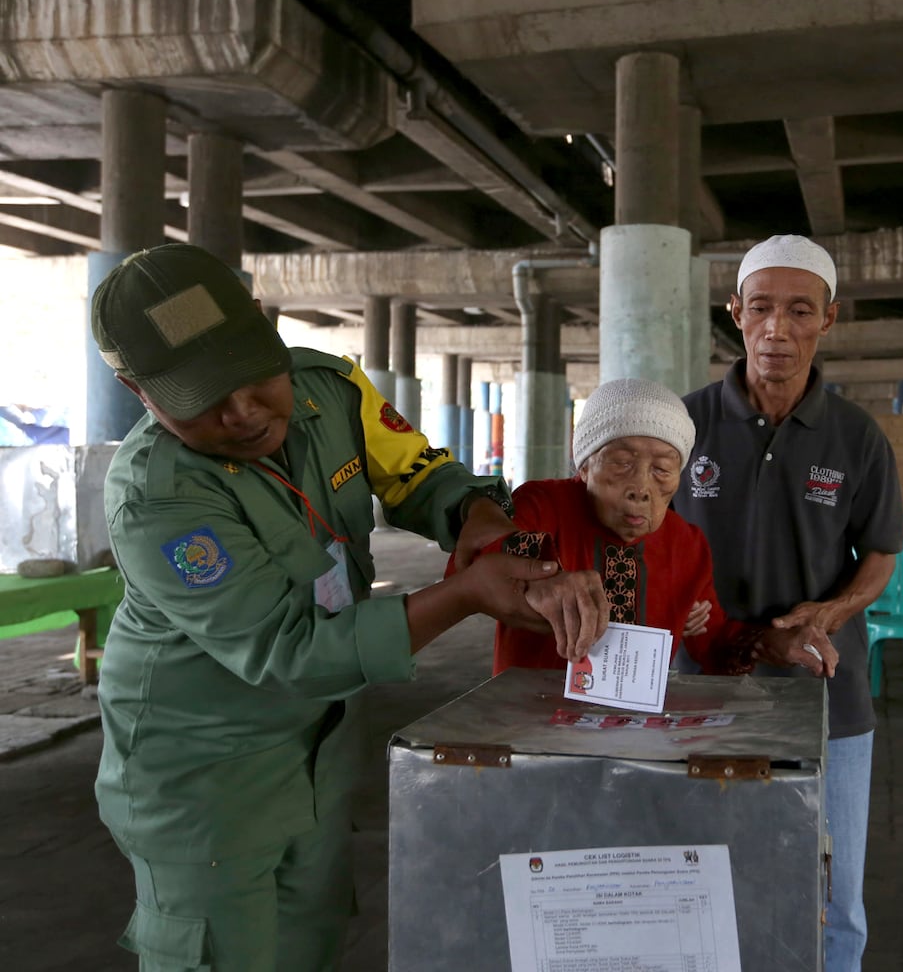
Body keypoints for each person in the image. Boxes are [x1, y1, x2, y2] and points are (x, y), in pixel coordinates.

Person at [89, 244, 609, 969]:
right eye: (199, 399)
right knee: (225, 953)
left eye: (250, 376)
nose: (242, 413)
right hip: (204, 777)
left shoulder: (327, 389)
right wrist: (463, 594)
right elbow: (288, 652)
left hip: (321, 746)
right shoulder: (161, 496)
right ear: (134, 389)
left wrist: (484, 530)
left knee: (310, 943)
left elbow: (422, 477)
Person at [671, 234, 903, 972]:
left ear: (827, 319)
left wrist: (830, 614)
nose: (778, 328)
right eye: (762, 308)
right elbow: (642, 543)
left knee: (834, 895)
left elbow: (880, 554)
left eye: (799, 310)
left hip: (825, 690)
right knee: (707, 876)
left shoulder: (856, 436)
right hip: (702, 689)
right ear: (734, 312)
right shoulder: (683, 425)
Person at [454, 377, 838, 678]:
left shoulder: (686, 544)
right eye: (621, 463)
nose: (641, 489)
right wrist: (536, 581)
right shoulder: (543, 505)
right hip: (530, 723)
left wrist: (773, 642)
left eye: (662, 471)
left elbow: (718, 644)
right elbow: (475, 562)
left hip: (633, 731)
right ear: (585, 465)